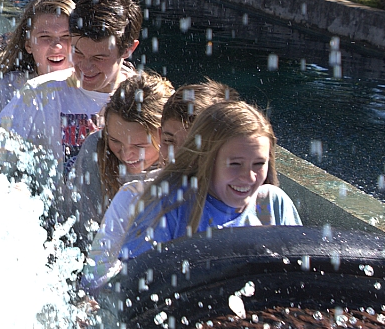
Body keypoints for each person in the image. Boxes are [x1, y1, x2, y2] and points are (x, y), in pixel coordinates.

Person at [81, 80, 240, 288]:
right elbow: (94, 277)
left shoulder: (268, 202)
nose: (178, 155)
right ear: (160, 135)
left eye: (194, 144)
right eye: (169, 141)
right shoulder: (134, 196)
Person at [118, 101, 301, 261]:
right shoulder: (168, 208)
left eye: (259, 164)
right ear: (205, 160)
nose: (250, 177)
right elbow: (133, 283)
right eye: (235, 164)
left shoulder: (274, 203)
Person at [0, 0, 142, 176]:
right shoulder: (38, 94)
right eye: (78, 52)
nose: (85, 67)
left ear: (128, 50)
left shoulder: (146, 101)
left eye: (99, 57)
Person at [64, 71, 173, 250]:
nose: (126, 155)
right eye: (115, 141)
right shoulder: (95, 150)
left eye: (140, 145)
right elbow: (83, 237)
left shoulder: (182, 162)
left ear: (165, 136)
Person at [0, 0, 74, 119]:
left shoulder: (93, 86)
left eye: (66, 36)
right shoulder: (9, 89)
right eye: (45, 37)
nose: (57, 46)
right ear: (29, 45)